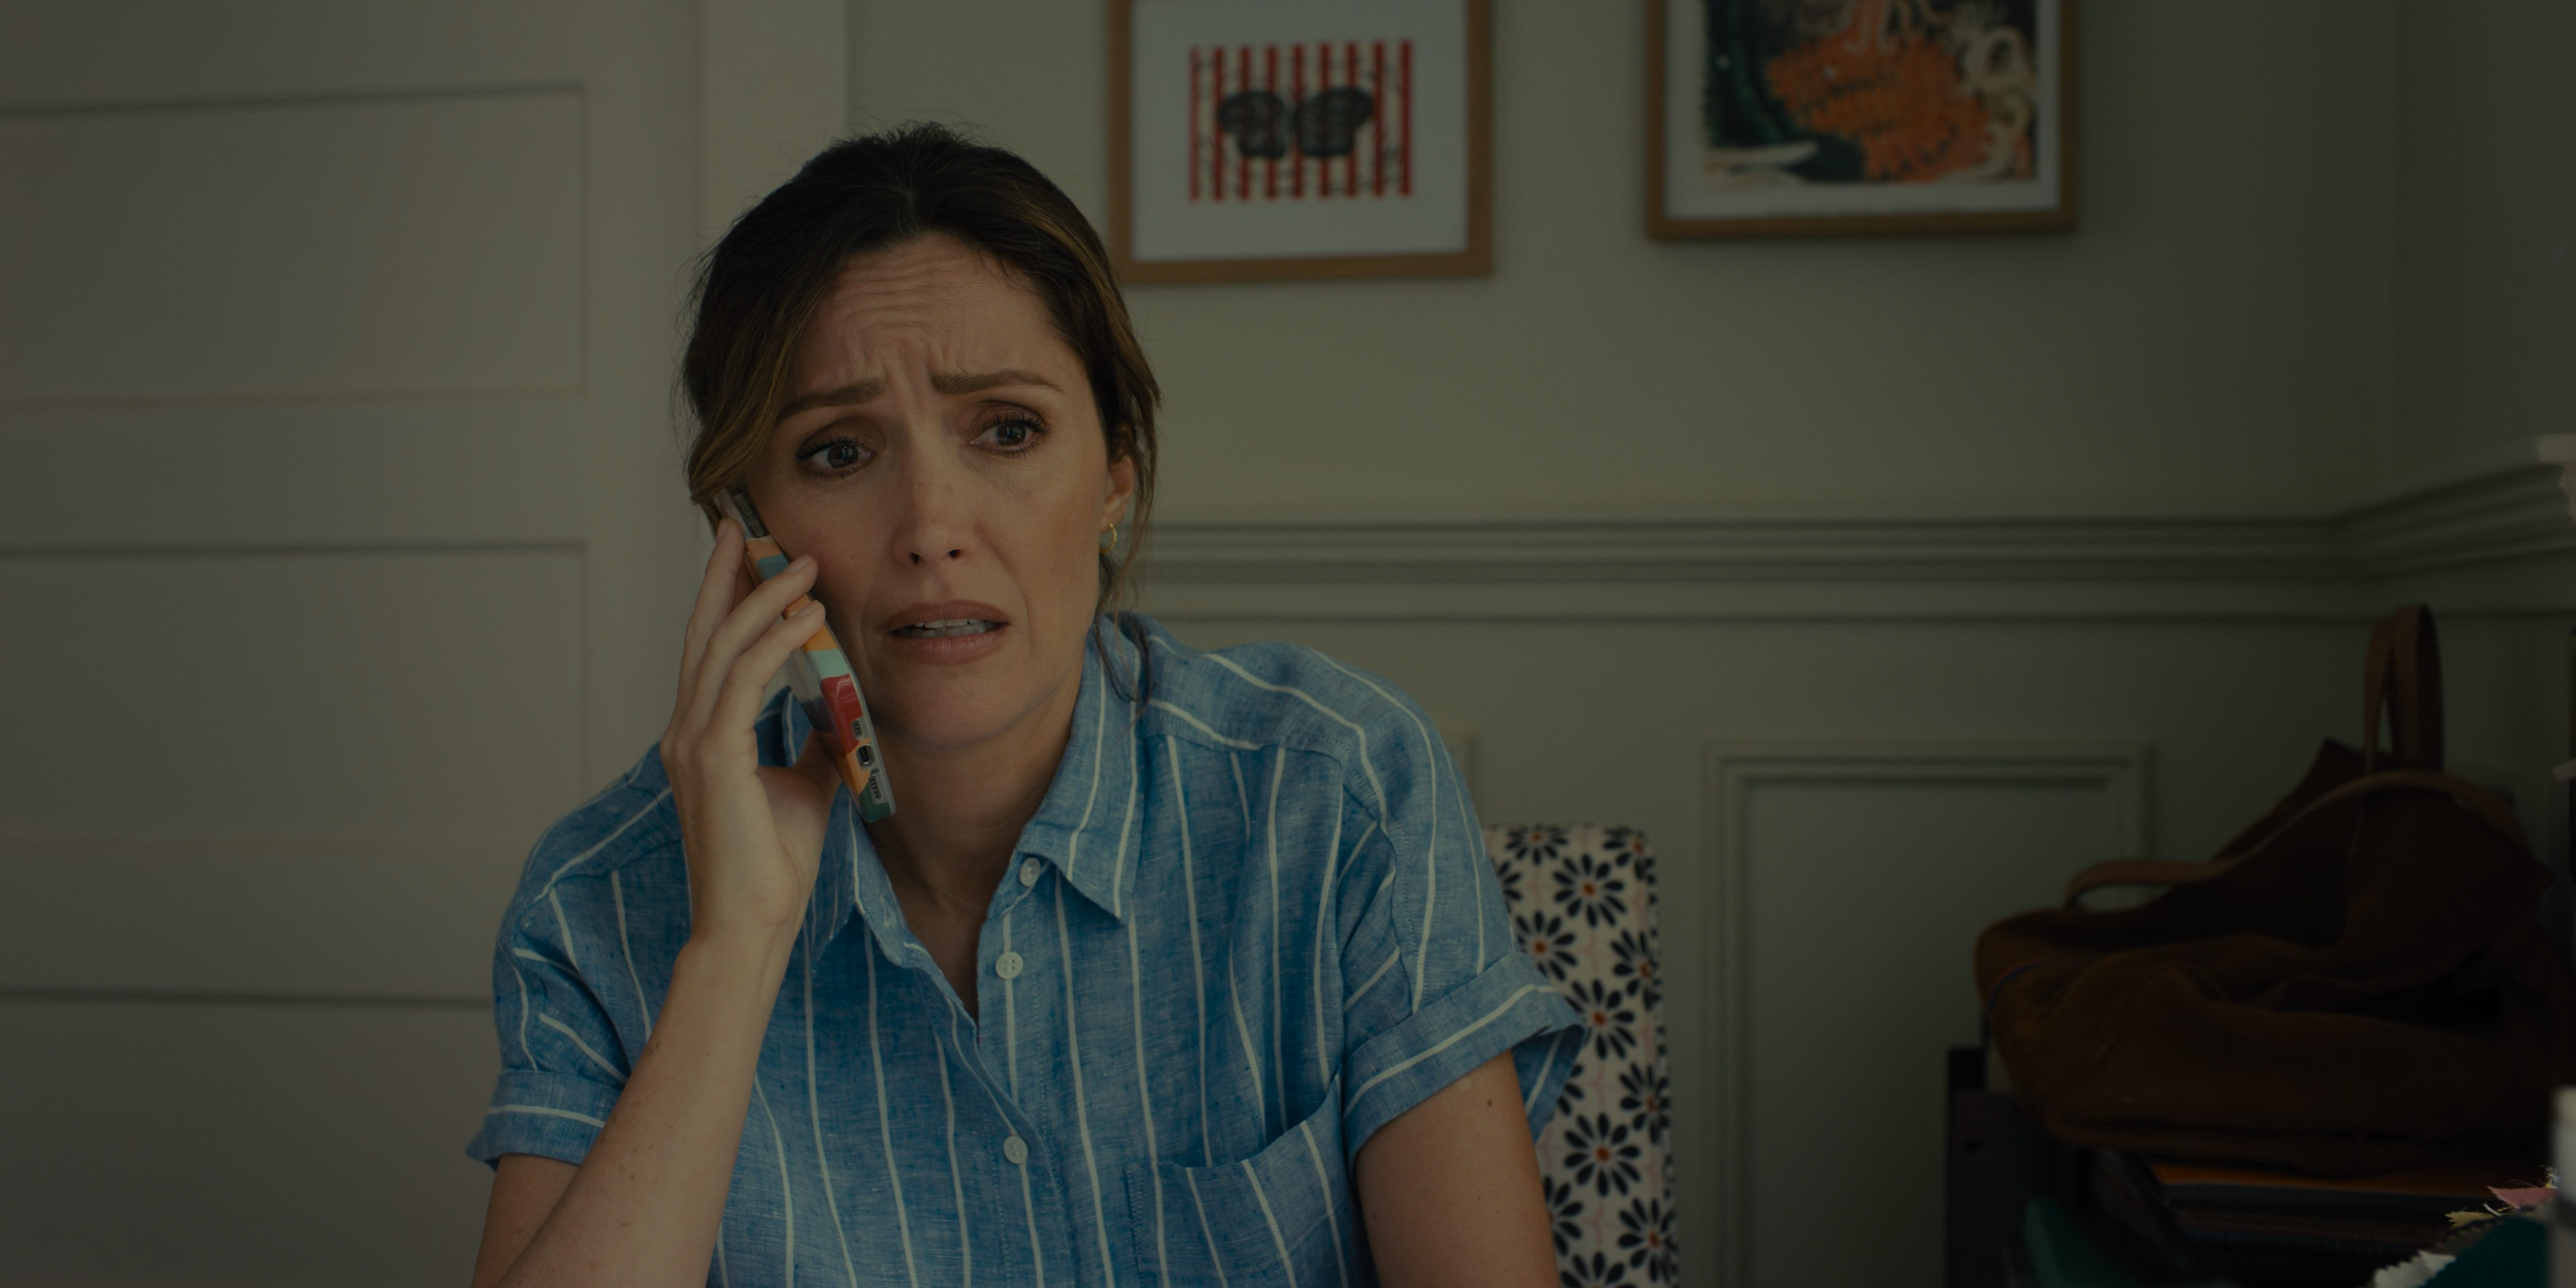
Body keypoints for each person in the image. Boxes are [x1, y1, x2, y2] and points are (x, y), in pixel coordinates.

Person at [465, 124, 1580, 1288]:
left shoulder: (1342, 792)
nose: (932, 526)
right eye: (839, 452)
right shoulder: (595, 903)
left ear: (1114, 479)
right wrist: (731, 953)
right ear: (745, 534)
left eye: (1008, 430)